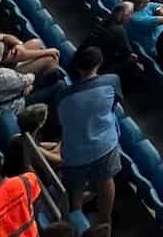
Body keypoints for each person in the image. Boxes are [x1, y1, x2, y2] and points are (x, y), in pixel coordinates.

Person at [56, 46, 124, 228]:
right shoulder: (112, 81)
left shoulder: (63, 96)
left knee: (75, 188)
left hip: (74, 152)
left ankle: (76, 224)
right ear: (99, 63)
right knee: (106, 181)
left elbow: (61, 121)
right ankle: (105, 223)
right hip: (104, 146)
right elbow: (114, 105)